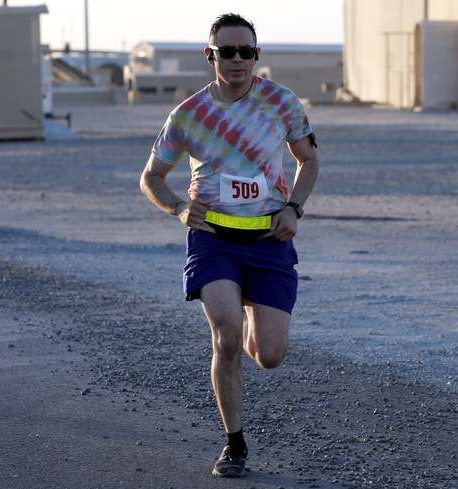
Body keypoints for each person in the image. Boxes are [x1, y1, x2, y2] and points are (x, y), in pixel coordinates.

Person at [139, 13, 319, 478]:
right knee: (227, 335)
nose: (237, 60)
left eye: (246, 52)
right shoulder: (188, 114)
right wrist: (179, 208)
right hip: (213, 238)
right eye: (227, 52)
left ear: (257, 56)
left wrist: (293, 209)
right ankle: (233, 445)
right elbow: (151, 178)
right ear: (210, 55)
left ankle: (256, 320)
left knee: (270, 354)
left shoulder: (281, 103)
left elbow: (308, 160)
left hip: (268, 236)